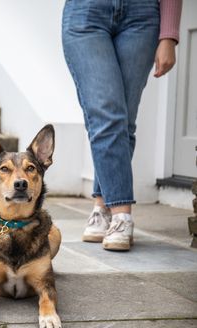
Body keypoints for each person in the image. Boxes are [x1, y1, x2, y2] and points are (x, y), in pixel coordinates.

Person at [61, 0, 182, 251]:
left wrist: (169, 34)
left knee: (123, 122)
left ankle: (102, 206)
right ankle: (122, 215)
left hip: (142, 14)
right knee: (107, 113)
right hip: (86, 13)